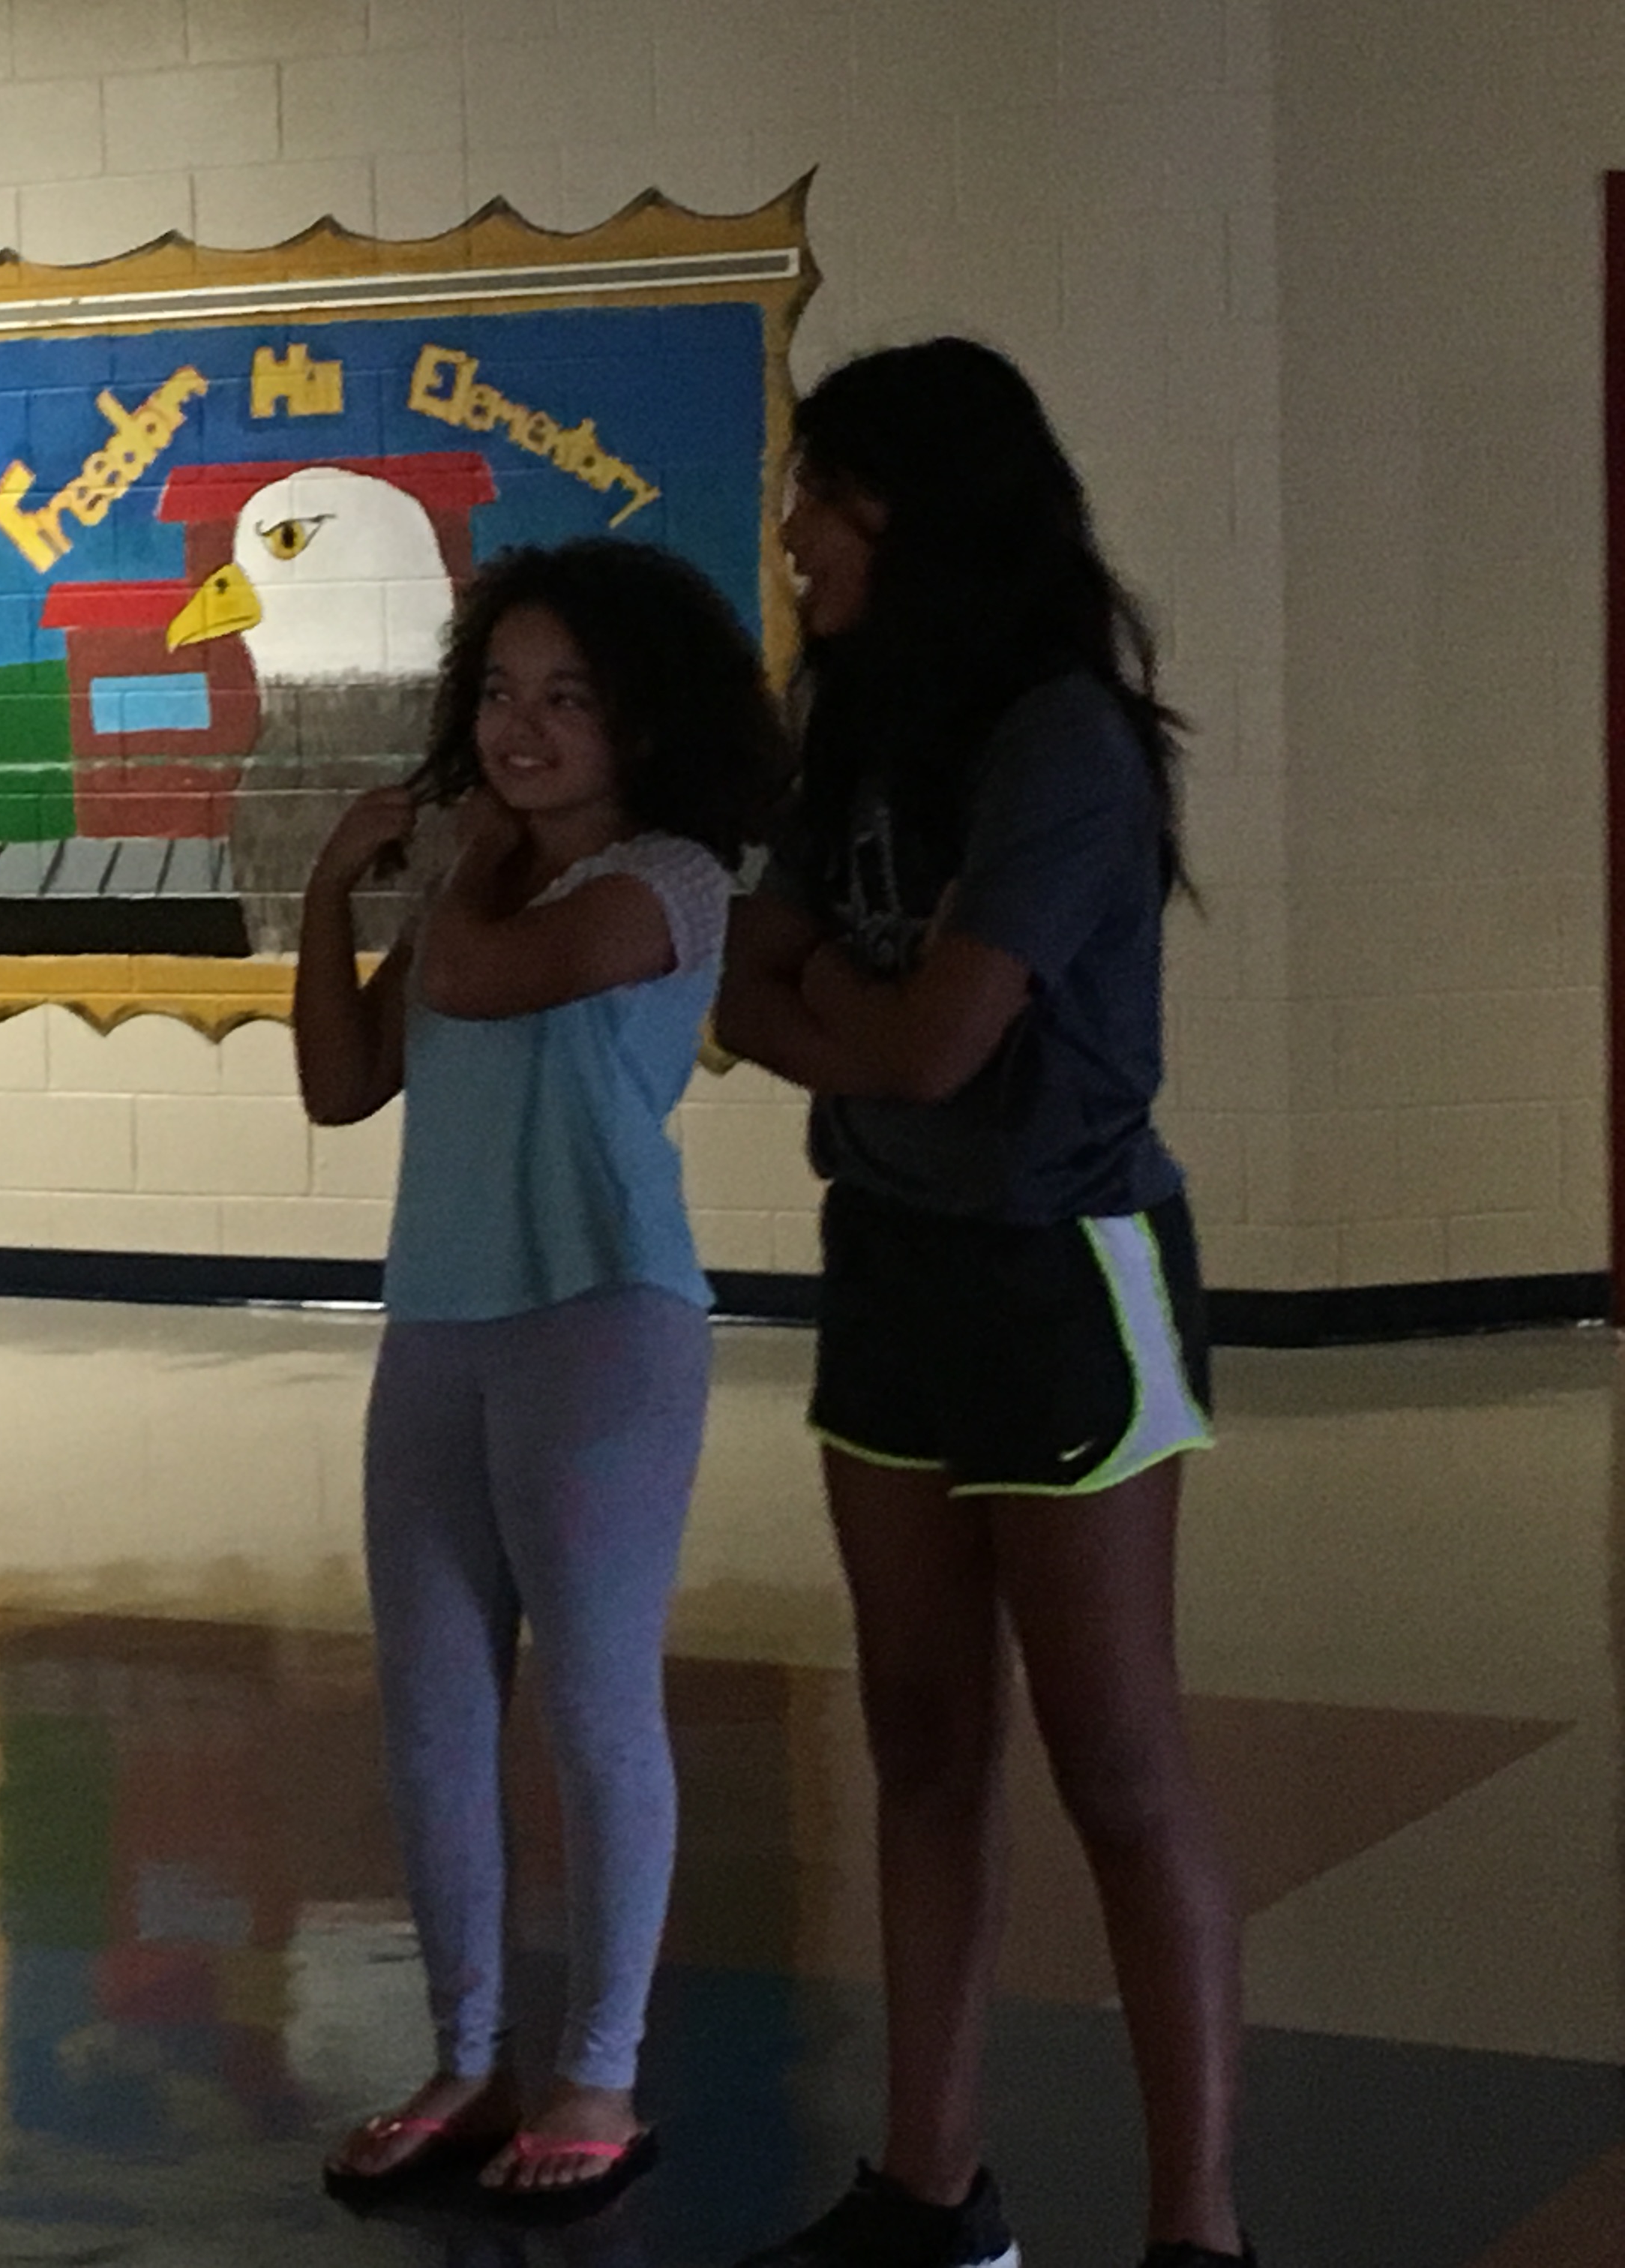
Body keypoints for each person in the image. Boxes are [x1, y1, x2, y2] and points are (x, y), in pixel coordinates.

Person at [714, 339, 1248, 2268]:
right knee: (924, 1742)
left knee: (1116, 1765)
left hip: (1062, 1273)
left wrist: (844, 1019)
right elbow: (743, 990)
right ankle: (933, 2190)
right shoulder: (850, 721)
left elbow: (933, 1044)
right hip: (893, 1264)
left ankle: (1198, 2226)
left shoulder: (1062, 745)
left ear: (922, 513)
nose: (793, 534)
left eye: (824, 496)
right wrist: (861, 1021)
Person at [296, 540, 786, 2217]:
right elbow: (343, 1083)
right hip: (439, 1322)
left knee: (592, 1698)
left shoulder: (670, 881)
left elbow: (488, 978)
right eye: (500, 692)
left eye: (568, 698)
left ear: (644, 720)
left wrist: (462, 867)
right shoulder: (475, 892)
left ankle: (599, 2072)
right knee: (434, 1710)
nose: (521, 728)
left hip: (603, 1322)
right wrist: (327, 896)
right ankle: (468, 2054)